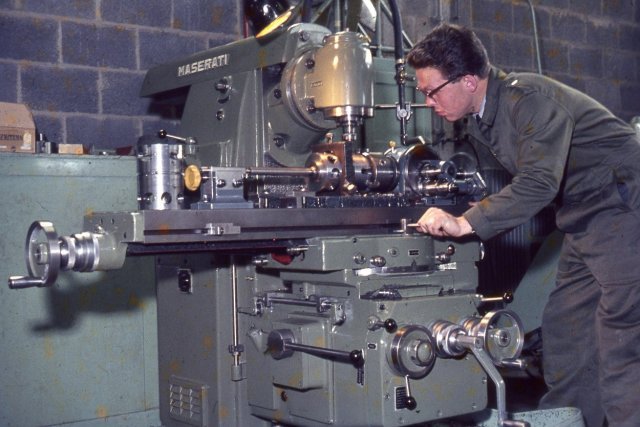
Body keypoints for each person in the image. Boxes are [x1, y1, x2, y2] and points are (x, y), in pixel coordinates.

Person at [407, 23, 640, 427]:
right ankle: (568, 420)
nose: (429, 103)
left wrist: (466, 223)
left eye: (432, 91)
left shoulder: (527, 100)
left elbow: (538, 183)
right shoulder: (484, 117)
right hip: (582, 216)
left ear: (467, 80)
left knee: (621, 337)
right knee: (567, 333)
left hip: (622, 205)